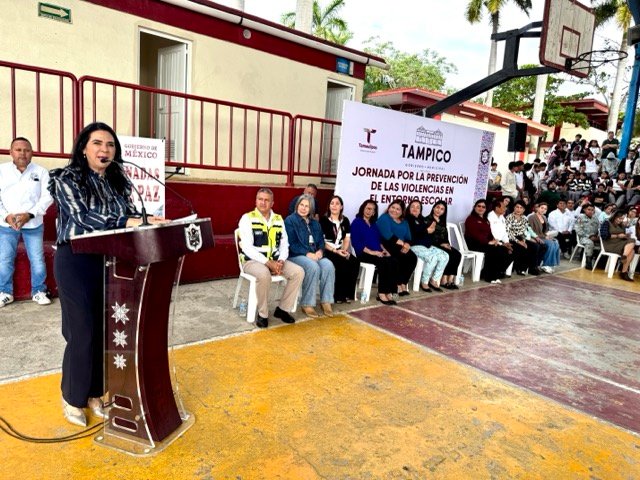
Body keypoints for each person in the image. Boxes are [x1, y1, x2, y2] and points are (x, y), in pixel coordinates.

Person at [49, 122, 167, 427]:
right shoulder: (66, 178)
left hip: (110, 260)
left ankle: (94, 393)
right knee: (81, 331)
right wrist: (127, 221)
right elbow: (82, 217)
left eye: (111, 145)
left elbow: (130, 215)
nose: (105, 149)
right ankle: (72, 397)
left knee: (104, 330)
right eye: (98, 143)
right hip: (76, 260)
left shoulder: (119, 182)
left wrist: (147, 220)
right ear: (83, 148)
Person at [238, 188, 304, 328]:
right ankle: (263, 314)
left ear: (272, 203)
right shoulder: (247, 218)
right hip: (252, 261)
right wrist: (268, 263)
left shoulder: (278, 219)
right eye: (260, 199)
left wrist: (281, 261)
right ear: (256, 201)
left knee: (298, 272)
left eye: (266, 200)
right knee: (264, 274)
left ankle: (283, 309)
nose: (263, 202)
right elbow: (247, 248)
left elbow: (285, 244)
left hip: (275, 260)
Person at [0, 137, 53, 307]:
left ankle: (39, 291)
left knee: (37, 259)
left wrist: (29, 215)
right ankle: (5, 292)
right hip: (7, 224)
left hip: (33, 223)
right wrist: (6, 216)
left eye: (26, 150)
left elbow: (47, 197)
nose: (22, 153)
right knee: (5, 259)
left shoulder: (41, 172)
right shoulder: (1, 171)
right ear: (11, 152)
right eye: (18, 150)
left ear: (32, 152)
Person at [285, 194, 334, 317]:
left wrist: (320, 251)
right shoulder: (290, 220)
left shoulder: (315, 223)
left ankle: (326, 301)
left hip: (314, 254)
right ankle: (307, 303)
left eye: (307, 206)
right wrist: (307, 253)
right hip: (296, 255)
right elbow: (291, 244)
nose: (303, 208)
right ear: (297, 205)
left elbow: (321, 241)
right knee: (313, 266)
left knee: (328, 265)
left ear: (311, 209)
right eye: (301, 205)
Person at [350, 200, 400, 305]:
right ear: (363, 208)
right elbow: (356, 243)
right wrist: (373, 252)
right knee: (383, 262)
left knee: (393, 261)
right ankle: (381, 293)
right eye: (368, 208)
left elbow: (379, 241)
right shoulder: (356, 222)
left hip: (377, 252)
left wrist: (385, 250)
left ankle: (389, 291)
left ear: (374, 212)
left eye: (372, 210)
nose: (370, 211)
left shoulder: (373, 224)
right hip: (363, 253)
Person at [319, 195, 360, 303]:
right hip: (328, 250)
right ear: (329, 206)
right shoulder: (323, 220)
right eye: (332, 203)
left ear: (341, 206)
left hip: (340, 249)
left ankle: (348, 294)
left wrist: (344, 250)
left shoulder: (345, 220)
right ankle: (338, 295)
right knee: (341, 262)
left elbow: (347, 238)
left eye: (337, 204)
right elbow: (321, 241)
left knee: (354, 262)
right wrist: (336, 251)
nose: (334, 206)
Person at [464, 199, 513, 284]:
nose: (481, 208)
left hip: (485, 243)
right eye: (479, 206)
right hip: (474, 243)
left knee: (504, 250)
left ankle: (493, 274)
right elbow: (475, 234)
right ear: (475, 207)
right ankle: (489, 277)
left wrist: (494, 240)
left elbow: (489, 233)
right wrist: (488, 242)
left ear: (486, 209)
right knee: (494, 250)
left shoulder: (485, 219)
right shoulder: (471, 219)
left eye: (483, 207)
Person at [404, 199, 449, 292]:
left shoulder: (422, 220)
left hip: (426, 245)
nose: (415, 209)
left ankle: (434, 280)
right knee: (432, 257)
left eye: (418, 207)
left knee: (445, 256)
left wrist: (430, 232)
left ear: (420, 210)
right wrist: (426, 231)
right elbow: (412, 235)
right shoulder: (406, 219)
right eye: (413, 207)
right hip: (414, 246)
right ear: (409, 208)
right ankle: (424, 282)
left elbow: (428, 234)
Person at [376, 199, 417, 296]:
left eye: (398, 209)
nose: (394, 210)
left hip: (400, 245)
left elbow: (409, 237)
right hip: (386, 244)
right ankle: (397, 284)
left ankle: (403, 283)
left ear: (402, 211)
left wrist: (407, 244)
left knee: (412, 258)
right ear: (389, 208)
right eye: (393, 207)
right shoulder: (384, 217)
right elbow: (388, 235)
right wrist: (403, 244)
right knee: (400, 257)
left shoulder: (404, 221)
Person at [425, 200, 463, 289]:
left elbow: (445, 236)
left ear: (444, 211)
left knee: (457, 254)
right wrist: (441, 244)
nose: (439, 210)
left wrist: (447, 244)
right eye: (437, 207)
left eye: (442, 209)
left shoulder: (442, 221)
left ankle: (450, 280)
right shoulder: (427, 220)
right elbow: (427, 237)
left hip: (442, 245)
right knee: (450, 254)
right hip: (433, 245)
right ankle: (443, 280)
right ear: (433, 208)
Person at [505, 200, 543, 275]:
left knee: (535, 246)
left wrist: (533, 237)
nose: (518, 209)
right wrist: (519, 241)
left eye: (521, 208)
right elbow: (508, 232)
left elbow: (527, 229)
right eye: (517, 207)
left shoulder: (524, 218)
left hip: (522, 237)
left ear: (524, 210)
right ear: (514, 208)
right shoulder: (509, 217)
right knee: (521, 247)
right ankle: (520, 268)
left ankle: (532, 268)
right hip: (512, 238)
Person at [600, 211, 636, 281]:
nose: (620, 220)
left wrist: (625, 236)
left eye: (622, 219)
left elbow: (623, 237)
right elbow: (604, 236)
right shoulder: (606, 223)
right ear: (614, 217)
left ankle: (624, 271)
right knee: (632, 241)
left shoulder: (622, 225)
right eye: (619, 218)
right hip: (609, 245)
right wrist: (617, 236)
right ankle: (623, 267)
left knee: (632, 251)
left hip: (619, 244)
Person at [528, 202, 560, 273]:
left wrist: (548, 236)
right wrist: (545, 237)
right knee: (551, 244)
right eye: (542, 208)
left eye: (545, 209)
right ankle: (546, 265)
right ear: (538, 208)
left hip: (544, 236)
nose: (543, 210)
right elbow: (530, 231)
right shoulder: (532, 217)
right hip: (536, 237)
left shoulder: (544, 218)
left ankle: (552, 264)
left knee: (556, 242)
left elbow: (545, 231)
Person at [574, 204, 600, 269]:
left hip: (594, 237)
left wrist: (597, 236)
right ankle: (588, 262)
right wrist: (589, 236)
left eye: (592, 210)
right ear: (584, 210)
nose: (590, 211)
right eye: (589, 209)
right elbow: (578, 230)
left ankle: (600, 262)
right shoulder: (580, 217)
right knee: (589, 243)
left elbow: (599, 229)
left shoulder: (595, 218)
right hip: (583, 237)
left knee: (603, 244)